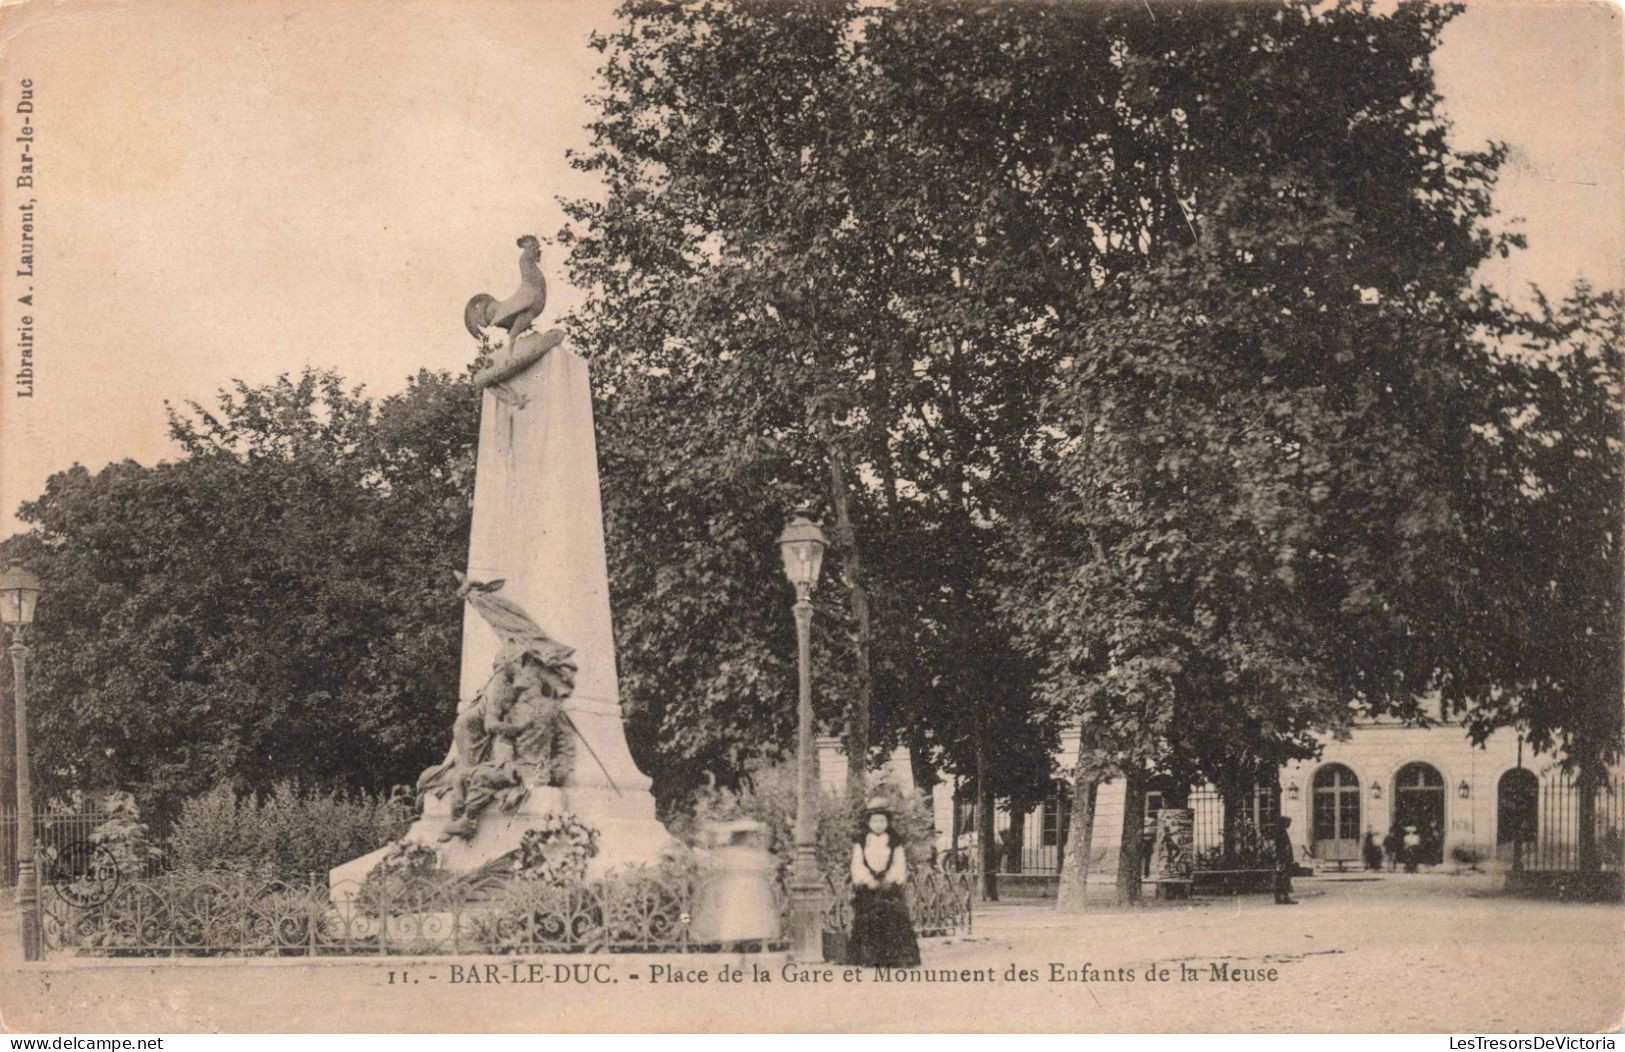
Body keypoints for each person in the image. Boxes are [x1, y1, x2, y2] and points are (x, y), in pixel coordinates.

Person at [847, 798, 921, 967]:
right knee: (868, 918)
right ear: (869, 822)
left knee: (894, 917)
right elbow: (857, 864)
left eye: (882, 821)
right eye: (875, 821)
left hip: (889, 886)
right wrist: (868, 880)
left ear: (887, 822)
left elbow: (899, 863)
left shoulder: (894, 840)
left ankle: (896, 958)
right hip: (868, 887)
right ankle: (869, 958)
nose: (878, 824)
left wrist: (890, 879)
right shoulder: (861, 841)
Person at [1273, 816, 1298, 904]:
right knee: (1284, 878)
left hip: (1283, 859)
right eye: (1288, 823)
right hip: (1283, 859)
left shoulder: (1281, 832)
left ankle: (1279, 897)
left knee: (1281, 878)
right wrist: (1284, 859)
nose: (1289, 825)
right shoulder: (1281, 833)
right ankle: (1284, 897)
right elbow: (1282, 848)